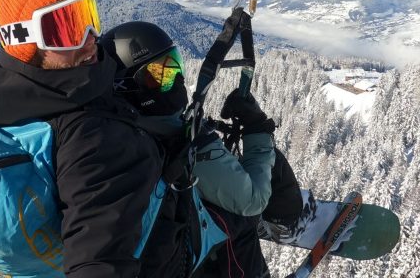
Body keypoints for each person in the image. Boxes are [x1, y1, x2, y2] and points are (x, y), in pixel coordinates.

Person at [0, 0, 196, 277]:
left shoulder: (17, 84)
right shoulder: (94, 143)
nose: (91, 36)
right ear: (31, 44)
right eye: (68, 30)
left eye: (85, 15)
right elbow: (97, 259)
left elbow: (38, 0)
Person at [100, 20, 305, 277]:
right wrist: (257, 129)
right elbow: (253, 200)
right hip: (182, 256)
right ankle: (283, 223)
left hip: (151, 251)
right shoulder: (181, 141)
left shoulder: (109, 131)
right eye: (158, 75)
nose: (175, 79)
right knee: (242, 218)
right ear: (128, 85)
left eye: (175, 65)